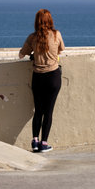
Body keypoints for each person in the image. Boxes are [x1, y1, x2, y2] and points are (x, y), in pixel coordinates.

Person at [19, 9, 65, 153]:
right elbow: (61, 49)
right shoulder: (57, 35)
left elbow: (21, 55)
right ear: (50, 20)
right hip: (53, 77)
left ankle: (35, 141)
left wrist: (33, 54)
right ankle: (44, 143)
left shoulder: (32, 38)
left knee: (38, 110)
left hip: (38, 77)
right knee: (48, 111)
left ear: (37, 21)